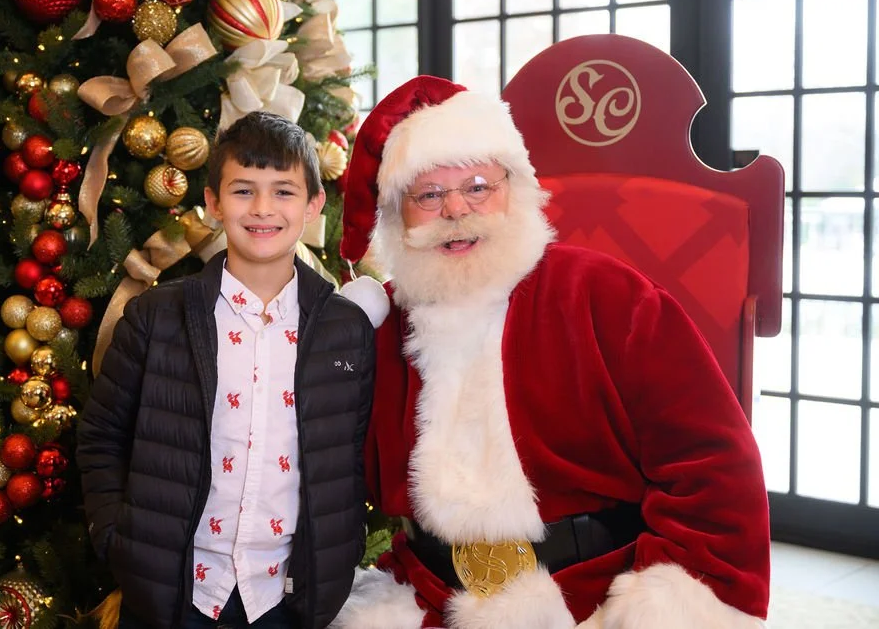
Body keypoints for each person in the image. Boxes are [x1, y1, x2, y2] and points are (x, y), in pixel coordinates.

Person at [329, 76, 770, 629]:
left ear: (514, 188)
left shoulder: (607, 296)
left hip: (590, 598)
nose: (456, 210)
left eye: (477, 186)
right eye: (429, 195)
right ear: (399, 215)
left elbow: (712, 466)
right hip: (422, 595)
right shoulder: (375, 326)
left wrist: (668, 600)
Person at [77, 111, 376, 629]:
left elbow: (351, 456)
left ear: (313, 205)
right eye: (243, 191)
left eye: (284, 192)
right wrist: (120, 543)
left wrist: (338, 557)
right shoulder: (156, 317)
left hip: (284, 598)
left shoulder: (346, 330)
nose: (262, 209)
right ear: (214, 202)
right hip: (174, 595)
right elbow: (101, 437)